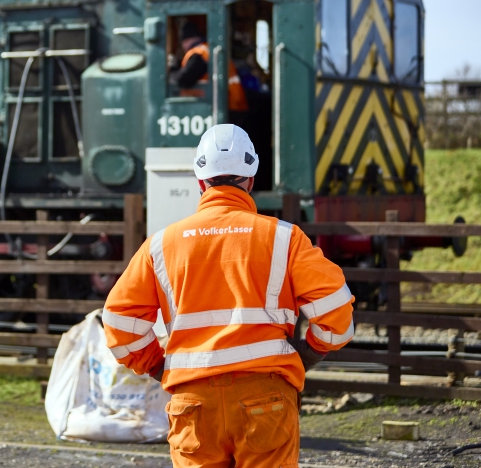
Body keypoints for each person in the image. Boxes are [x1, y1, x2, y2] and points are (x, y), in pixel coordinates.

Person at [103, 124, 354, 467]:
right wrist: (311, 350)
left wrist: (158, 365)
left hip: (193, 404)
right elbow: (337, 311)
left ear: (200, 183)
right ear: (250, 180)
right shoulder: (284, 238)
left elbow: (119, 323)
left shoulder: (161, 245)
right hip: (265, 397)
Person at [168, 23, 249, 112]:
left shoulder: (199, 53)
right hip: (233, 101)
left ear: (186, 40)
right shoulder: (209, 49)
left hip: (226, 105)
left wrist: (172, 71)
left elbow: (184, 79)